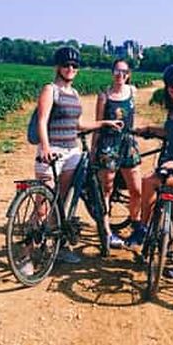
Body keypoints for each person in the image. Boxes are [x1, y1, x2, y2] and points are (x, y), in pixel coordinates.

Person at [35, 45, 123, 263]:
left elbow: (78, 125)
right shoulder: (50, 89)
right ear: (58, 67)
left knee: (60, 202)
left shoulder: (74, 93)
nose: (70, 68)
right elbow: (42, 120)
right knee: (42, 206)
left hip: (72, 152)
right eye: (66, 65)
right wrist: (45, 147)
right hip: (53, 152)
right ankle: (27, 255)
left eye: (74, 65)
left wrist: (103, 123)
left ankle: (58, 248)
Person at [125, 63, 173, 279]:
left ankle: (142, 228)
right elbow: (171, 133)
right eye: (171, 85)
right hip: (169, 166)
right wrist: (150, 130)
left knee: (150, 182)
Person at [93, 59, 142, 249]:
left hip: (128, 144)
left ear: (128, 74)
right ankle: (106, 232)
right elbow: (98, 124)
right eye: (117, 71)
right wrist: (93, 149)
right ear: (112, 73)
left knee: (137, 190)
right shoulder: (104, 96)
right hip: (108, 145)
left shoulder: (133, 92)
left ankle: (136, 224)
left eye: (124, 71)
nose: (120, 75)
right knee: (106, 190)